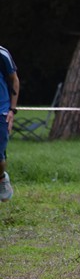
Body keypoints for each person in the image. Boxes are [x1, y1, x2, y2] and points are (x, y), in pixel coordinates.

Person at [0, 46, 19, 202]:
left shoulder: (2, 54)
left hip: (2, 111)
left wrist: (12, 110)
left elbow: (14, 80)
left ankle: (1, 178)